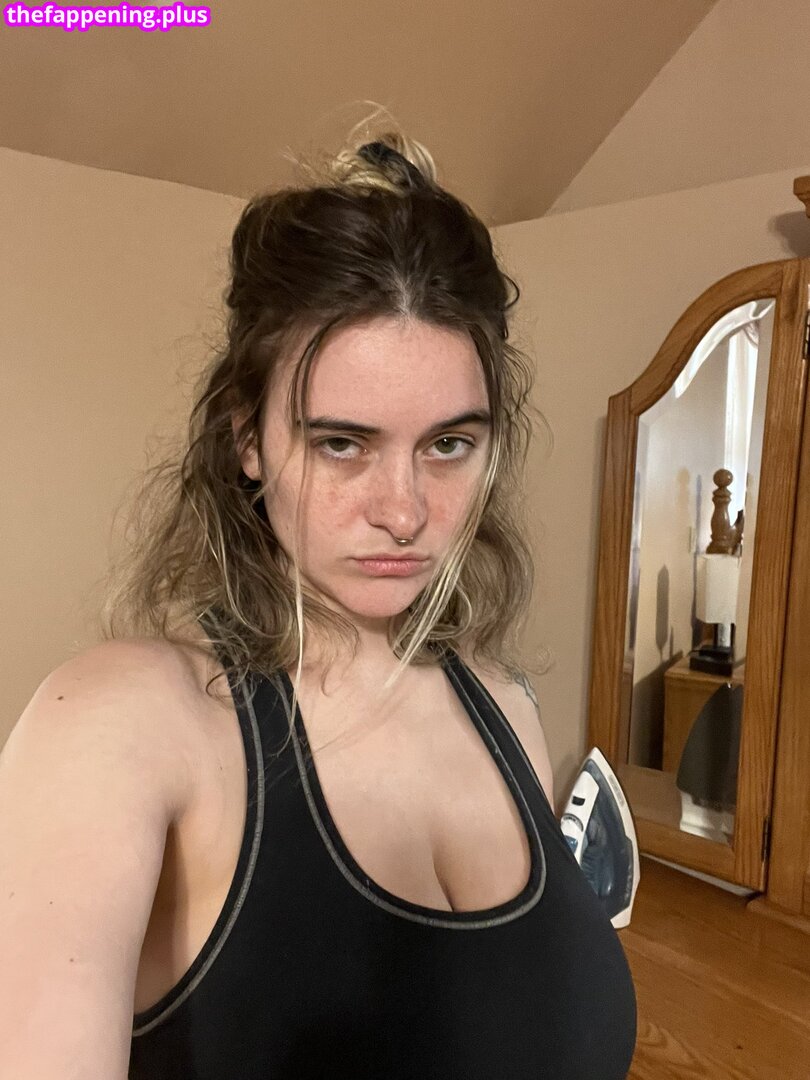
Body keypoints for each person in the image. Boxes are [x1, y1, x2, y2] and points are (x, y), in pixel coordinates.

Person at [0, 125, 636, 1079]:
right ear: (247, 440)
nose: (404, 512)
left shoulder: (507, 705)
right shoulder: (119, 722)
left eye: (448, 445)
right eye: (342, 443)